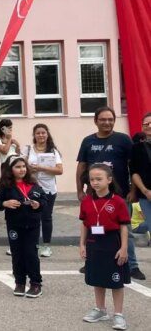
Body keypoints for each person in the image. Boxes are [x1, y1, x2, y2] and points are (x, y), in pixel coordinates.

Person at [76, 107, 144, 280]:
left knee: (124, 229)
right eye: (103, 119)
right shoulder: (88, 141)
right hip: (94, 194)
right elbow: (81, 167)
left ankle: (132, 265)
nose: (107, 122)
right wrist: (79, 190)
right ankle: (91, 261)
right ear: (96, 121)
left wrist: (133, 190)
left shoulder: (123, 140)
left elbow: (132, 166)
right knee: (94, 228)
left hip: (120, 194)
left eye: (110, 119)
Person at [79, 163, 130, 330]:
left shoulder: (118, 201)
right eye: (92, 179)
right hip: (94, 241)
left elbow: (123, 226)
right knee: (97, 277)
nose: (95, 182)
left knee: (116, 280)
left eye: (99, 179)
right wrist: (82, 244)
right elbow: (85, 224)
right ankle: (100, 309)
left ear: (109, 180)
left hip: (112, 242)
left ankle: (118, 314)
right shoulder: (87, 201)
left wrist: (123, 248)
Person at [0, 155, 47, 298]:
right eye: (17, 167)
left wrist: (38, 204)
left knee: (31, 254)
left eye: (23, 166)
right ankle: (20, 282)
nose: (22, 169)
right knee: (17, 254)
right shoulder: (6, 186)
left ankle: (36, 284)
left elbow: (44, 201)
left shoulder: (33, 184)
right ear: (11, 170)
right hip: (14, 225)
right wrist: (6, 203)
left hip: (32, 226)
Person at [23, 124, 63, 258]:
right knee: (29, 216)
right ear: (34, 135)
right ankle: (28, 244)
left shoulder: (53, 151)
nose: (41, 135)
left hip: (48, 189)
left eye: (43, 133)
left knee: (46, 217)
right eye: (38, 133)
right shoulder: (28, 150)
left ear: (47, 134)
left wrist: (41, 168)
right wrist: (29, 169)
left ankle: (46, 246)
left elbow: (59, 170)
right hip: (31, 188)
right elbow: (20, 166)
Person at [130, 112, 151, 245]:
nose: (149, 126)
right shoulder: (136, 148)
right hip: (146, 195)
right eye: (146, 124)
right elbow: (134, 172)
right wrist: (145, 191)